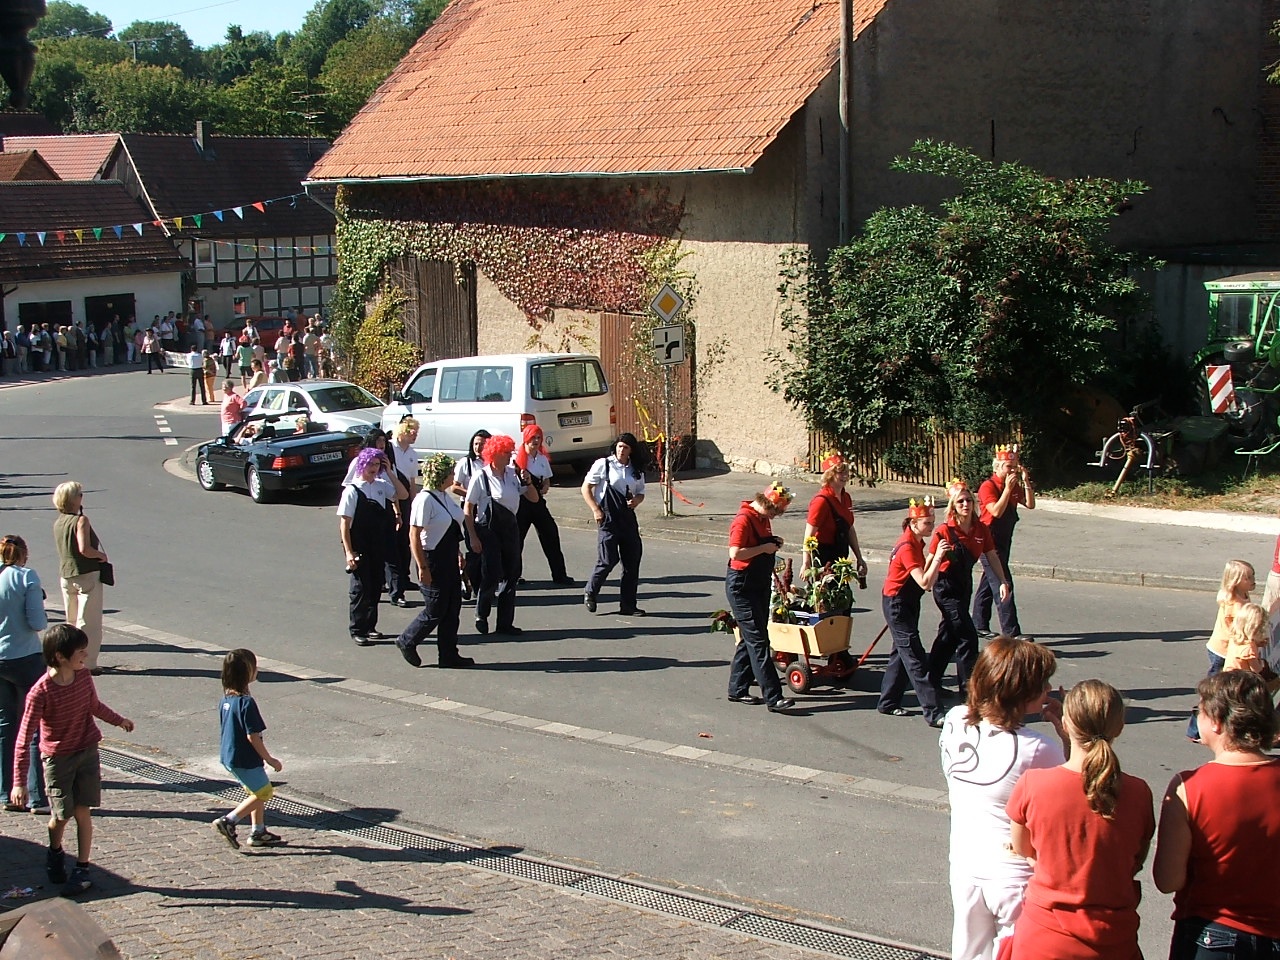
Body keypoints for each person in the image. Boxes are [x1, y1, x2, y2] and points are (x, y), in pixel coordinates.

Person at [1003, 680, 1155, 960]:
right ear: (1119, 727)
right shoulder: (1138, 792)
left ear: (1066, 724)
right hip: (1114, 939)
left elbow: (1023, 849)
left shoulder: (1033, 784)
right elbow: (1136, 859)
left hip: (1044, 938)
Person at [939, 636, 1067, 960]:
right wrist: (1068, 735)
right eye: (1042, 684)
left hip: (965, 863)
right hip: (1014, 874)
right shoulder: (1037, 748)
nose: (1048, 689)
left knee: (968, 951)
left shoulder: (954, 720)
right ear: (1021, 691)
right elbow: (1073, 791)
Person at [1153, 670, 1280, 959]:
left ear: (1217, 722)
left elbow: (1167, 880)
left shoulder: (1189, 787)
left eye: (1199, 710)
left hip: (1213, 933)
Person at [10, 624, 134, 896]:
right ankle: (55, 851)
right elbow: (23, 738)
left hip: (87, 751)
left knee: (83, 811)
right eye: (80, 651)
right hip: (58, 760)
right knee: (61, 816)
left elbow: (94, 706)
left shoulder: (83, 676)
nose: (86, 655)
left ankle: (82, 868)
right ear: (60, 656)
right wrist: (19, 783)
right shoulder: (40, 692)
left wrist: (119, 721)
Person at [928, 479, 1011, 699]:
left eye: (969, 501)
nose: (965, 504)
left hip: (964, 586)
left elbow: (992, 556)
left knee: (949, 635)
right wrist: (920, 582)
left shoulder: (981, 528)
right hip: (945, 588)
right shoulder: (945, 530)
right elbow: (930, 561)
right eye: (961, 502)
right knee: (967, 637)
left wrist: (1003, 581)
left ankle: (930, 681)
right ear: (953, 506)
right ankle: (969, 692)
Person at [724, 483, 797, 714]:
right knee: (758, 641)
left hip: (758, 583)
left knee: (752, 637)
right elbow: (735, 553)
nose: (774, 517)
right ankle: (774, 697)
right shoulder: (743, 520)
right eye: (775, 512)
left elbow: (760, 544)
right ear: (766, 504)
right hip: (742, 586)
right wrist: (764, 548)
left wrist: (772, 543)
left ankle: (737, 688)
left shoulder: (762, 518)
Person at [396, 453, 474, 669]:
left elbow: (450, 528)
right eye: (450, 473)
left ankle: (449, 655)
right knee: (436, 608)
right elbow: (414, 534)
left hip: (449, 557)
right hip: (432, 558)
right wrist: (422, 567)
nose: (453, 476)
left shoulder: (443, 496)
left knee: (452, 609)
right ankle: (407, 640)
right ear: (440, 475)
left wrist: (458, 554)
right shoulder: (425, 499)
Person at [877, 497, 949, 726]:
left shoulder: (916, 542)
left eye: (932, 522)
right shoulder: (907, 547)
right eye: (927, 523)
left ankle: (888, 702)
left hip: (907, 601)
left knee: (901, 653)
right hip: (897, 603)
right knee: (915, 657)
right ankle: (934, 712)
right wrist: (938, 557)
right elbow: (925, 582)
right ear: (913, 523)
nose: (931, 527)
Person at [211, 648, 285, 850]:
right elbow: (253, 736)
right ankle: (229, 821)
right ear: (247, 672)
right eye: (255, 667)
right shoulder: (246, 703)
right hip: (245, 758)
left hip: (230, 756)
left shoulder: (226, 701)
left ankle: (258, 831)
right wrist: (269, 759)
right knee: (264, 792)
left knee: (256, 792)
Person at [464, 434, 536, 636]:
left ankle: (505, 623)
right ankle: (482, 614)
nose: (509, 455)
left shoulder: (513, 474)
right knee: (491, 573)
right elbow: (468, 508)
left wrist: (528, 482)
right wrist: (473, 536)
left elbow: (534, 498)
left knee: (512, 574)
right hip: (488, 530)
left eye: (510, 451)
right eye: (506, 452)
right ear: (494, 454)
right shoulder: (481, 476)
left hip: (510, 528)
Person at [0, 535, 49, 814]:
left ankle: (5, 792)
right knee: (33, 725)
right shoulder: (26, 576)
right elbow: (37, 622)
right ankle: (36, 796)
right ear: (23, 554)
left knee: (4, 725)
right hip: (25, 657)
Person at [338, 448, 407, 645]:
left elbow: (402, 494)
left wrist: (389, 472)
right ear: (362, 465)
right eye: (370, 464)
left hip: (378, 544)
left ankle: (370, 626)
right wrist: (349, 552)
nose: (374, 468)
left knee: (376, 586)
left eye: (377, 464)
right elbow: (344, 524)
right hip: (360, 546)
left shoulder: (381, 486)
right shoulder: (352, 490)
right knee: (360, 588)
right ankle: (357, 629)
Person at [582, 433, 648, 616]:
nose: (621, 450)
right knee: (608, 559)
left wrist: (636, 500)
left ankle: (628, 605)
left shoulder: (636, 469)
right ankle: (590, 591)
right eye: (619, 446)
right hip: (608, 518)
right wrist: (595, 509)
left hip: (627, 519)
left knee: (632, 562)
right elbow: (586, 488)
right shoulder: (604, 464)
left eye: (626, 447)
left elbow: (641, 491)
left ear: (631, 450)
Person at [1187, 559, 1254, 741]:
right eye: (1248, 578)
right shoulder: (1234, 605)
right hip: (1223, 652)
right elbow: (1238, 631)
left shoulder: (1242, 595)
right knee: (1211, 692)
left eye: (1252, 576)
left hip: (1228, 650)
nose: (1253, 580)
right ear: (1235, 581)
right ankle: (1196, 729)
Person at [972, 444, 1035, 639]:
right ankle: (1011, 632)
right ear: (997, 467)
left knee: (988, 582)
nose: (1012, 471)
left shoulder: (1014, 484)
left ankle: (978, 624)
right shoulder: (988, 486)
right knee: (1003, 583)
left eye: (1015, 467)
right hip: (989, 541)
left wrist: (1026, 481)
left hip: (1005, 538)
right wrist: (1007, 489)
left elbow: (1030, 504)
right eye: (1009, 466)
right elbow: (996, 512)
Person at [52, 482, 109, 675]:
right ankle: (88, 663)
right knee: (88, 622)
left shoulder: (59, 522)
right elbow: (85, 549)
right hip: (86, 574)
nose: (81, 497)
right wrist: (101, 556)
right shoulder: (81, 520)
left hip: (66, 574)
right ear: (73, 499)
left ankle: (70, 659)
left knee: (72, 620)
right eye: (79, 494)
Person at [515, 424, 573, 585]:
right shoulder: (516, 459)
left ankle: (559, 575)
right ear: (526, 439)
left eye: (538, 438)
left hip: (539, 503)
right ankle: (513, 575)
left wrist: (546, 486)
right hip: (521, 504)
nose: (535, 441)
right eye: (532, 437)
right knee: (516, 540)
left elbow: (547, 479)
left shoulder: (541, 459)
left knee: (551, 535)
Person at [385, 418, 421, 607]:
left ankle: (405, 578)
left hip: (405, 497)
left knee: (405, 542)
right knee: (392, 544)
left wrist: (414, 505)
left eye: (416, 431)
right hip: (390, 498)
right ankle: (393, 586)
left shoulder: (413, 454)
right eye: (412, 431)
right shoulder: (390, 448)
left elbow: (413, 482)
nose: (415, 434)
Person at [452, 429, 491, 601]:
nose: (478, 447)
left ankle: (484, 584)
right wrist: (472, 494)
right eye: (475, 444)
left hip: (488, 509)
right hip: (470, 508)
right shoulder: (465, 463)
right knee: (474, 547)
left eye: (482, 444)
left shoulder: (491, 463)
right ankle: (472, 583)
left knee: (487, 549)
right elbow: (454, 486)